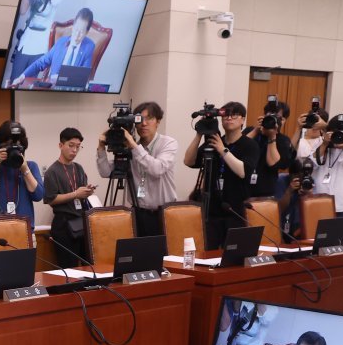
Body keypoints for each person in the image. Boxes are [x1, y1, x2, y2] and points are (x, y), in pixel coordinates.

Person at [94, 101, 179, 237]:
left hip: (164, 214)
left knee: (162, 256)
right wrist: (101, 147)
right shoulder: (131, 148)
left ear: (158, 121)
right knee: (140, 256)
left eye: (149, 118)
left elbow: (157, 169)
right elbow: (105, 172)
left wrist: (134, 146)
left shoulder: (168, 143)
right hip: (138, 214)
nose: (144, 124)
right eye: (139, 119)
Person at [184, 102, 258, 249]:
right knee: (208, 254)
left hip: (235, 211)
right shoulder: (214, 141)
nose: (229, 118)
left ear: (243, 119)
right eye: (225, 115)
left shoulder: (249, 145)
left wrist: (222, 150)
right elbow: (188, 161)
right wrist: (199, 133)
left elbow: (243, 171)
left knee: (233, 258)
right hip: (212, 211)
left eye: (234, 115)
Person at [43, 127, 97, 267]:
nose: (74, 150)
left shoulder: (78, 168)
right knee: (68, 266)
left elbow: (81, 194)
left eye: (78, 147)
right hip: (63, 224)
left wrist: (87, 192)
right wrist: (75, 194)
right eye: (71, 145)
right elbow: (51, 199)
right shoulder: (52, 171)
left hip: (81, 221)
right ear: (61, 145)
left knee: (88, 265)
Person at [297, 114, 343, 218]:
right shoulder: (320, 142)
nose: (339, 134)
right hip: (318, 197)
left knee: (339, 232)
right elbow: (311, 165)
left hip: (341, 202)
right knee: (315, 232)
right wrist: (324, 144)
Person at [11, 7, 96, 86]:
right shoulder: (61, 42)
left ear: (86, 33)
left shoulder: (89, 47)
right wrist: (22, 76)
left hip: (71, 89)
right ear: (73, 27)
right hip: (53, 87)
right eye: (76, 29)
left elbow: (84, 76)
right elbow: (41, 63)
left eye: (81, 32)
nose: (77, 35)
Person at [0, 120, 45, 225]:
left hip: (24, 229)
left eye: (18, 145)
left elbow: (38, 195)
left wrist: (25, 170)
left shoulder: (31, 166)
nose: (13, 149)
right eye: (9, 145)